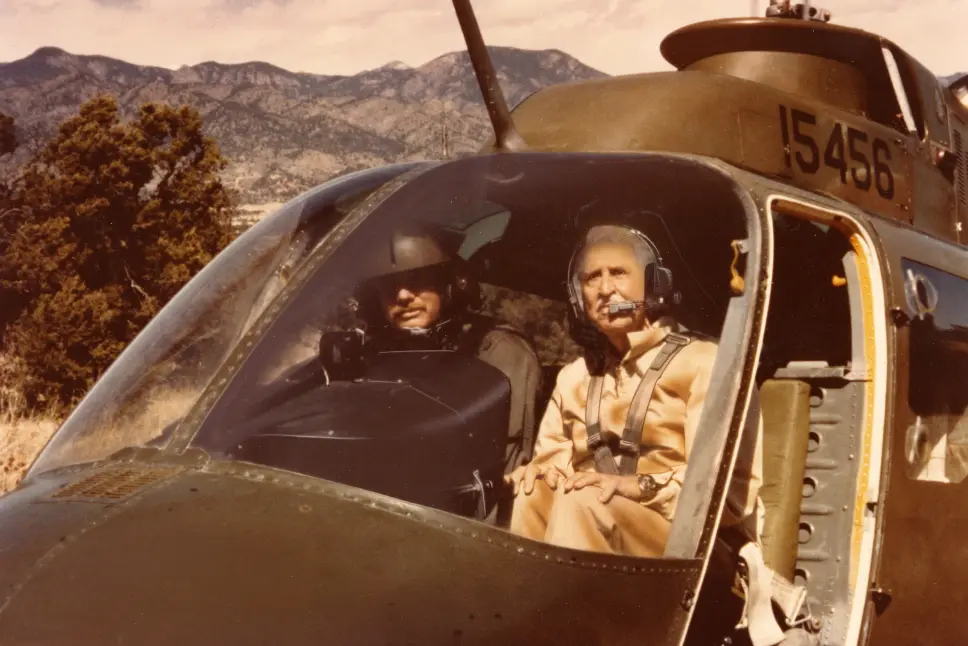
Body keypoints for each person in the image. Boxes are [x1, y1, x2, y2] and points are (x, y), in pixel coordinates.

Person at [507, 223, 764, 557]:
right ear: (578, 297)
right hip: (594, 525)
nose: (605, 289)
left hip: (696, 547)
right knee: (532, 493)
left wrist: (634, 486)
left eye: (618, 273)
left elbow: (725, 494)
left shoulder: (706, 362)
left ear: (654, 283)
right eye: (592, 278)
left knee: (585, 502)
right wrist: (539, 473)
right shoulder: (574, 378)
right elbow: (554, 466)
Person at [349, 227, 543, 477]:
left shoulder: (498, 349)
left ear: (451, 286)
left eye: (416, 280)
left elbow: (503, 465)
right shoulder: (380, 355)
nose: (403, 296)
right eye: (388, 286)